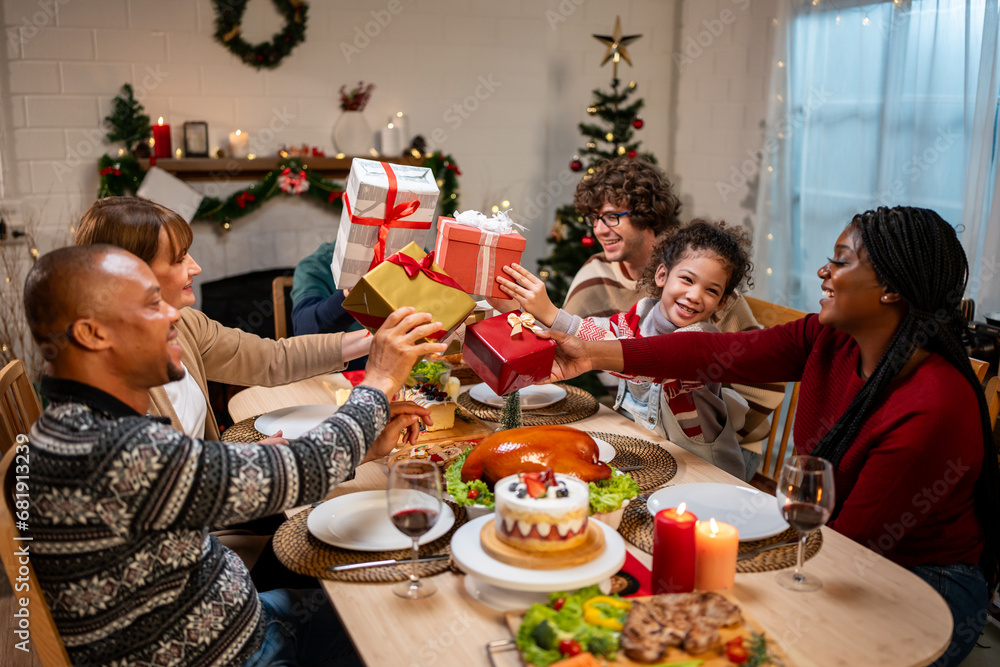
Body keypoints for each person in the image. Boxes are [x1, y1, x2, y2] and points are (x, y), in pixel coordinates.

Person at [540, 206, 999, 666]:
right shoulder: (831, 337)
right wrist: (593, 353)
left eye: (840, 260)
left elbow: (851, 550)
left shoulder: (932, 407)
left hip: (918, 584)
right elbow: (715, 351)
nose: (824, 270)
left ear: (892, 289)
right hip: (834, 544)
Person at [24, 243, 447, 666]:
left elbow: (202, 494)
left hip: (240, 619)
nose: (173, 314)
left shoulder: (74, 426)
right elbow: (304, 470)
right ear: (91, 333)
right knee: (417, 629)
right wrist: (379, 381)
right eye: (153, 304)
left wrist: (364, 445)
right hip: (237, 653)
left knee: (383, 601)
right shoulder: (115, 452)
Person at [74, 196, 372, 441]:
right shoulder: (105, 380)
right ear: (129, 274)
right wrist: (251, 461)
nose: (196, 267)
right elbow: (172, 485)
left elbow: (270, 358)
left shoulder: (184, 323)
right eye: (179, 260)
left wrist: (372, 340)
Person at [498, 220, 755, 480]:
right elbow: (595, 333)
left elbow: (648, 360)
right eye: (687, 279)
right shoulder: (634, 320)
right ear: (662, 275)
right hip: (646, 456)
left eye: (711, 290)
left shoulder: (704, 341)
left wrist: (551, 312)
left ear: (721, 303)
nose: (695, 295)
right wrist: (518, 309)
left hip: (705, 473)